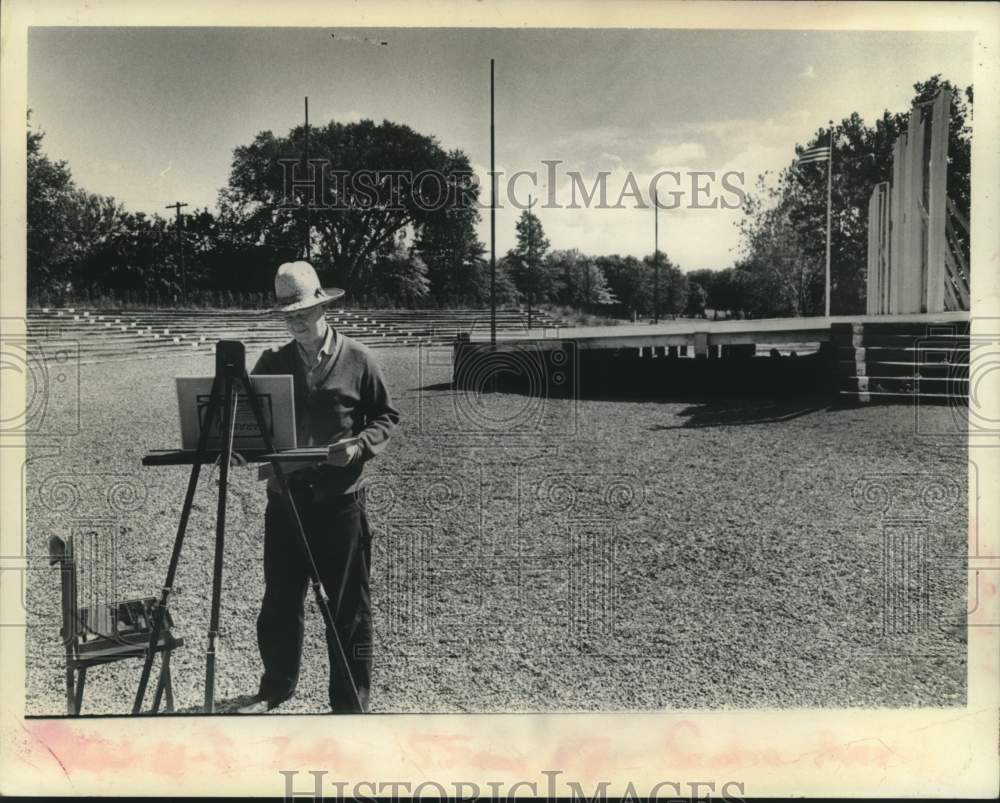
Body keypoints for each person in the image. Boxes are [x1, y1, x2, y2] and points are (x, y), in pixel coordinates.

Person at [239, 261, 399, 713]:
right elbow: (254, 429)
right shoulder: (271, 362)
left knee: (348, 607)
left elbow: (385, 416)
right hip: (285, 501)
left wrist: (360, 446)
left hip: (340, 503)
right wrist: (238, 447)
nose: (296, 322)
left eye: (304, 312)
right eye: (288, 315)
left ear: (323, 307)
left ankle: (350, 703)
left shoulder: (360, 359)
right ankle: (276, 687)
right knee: (280, 602)